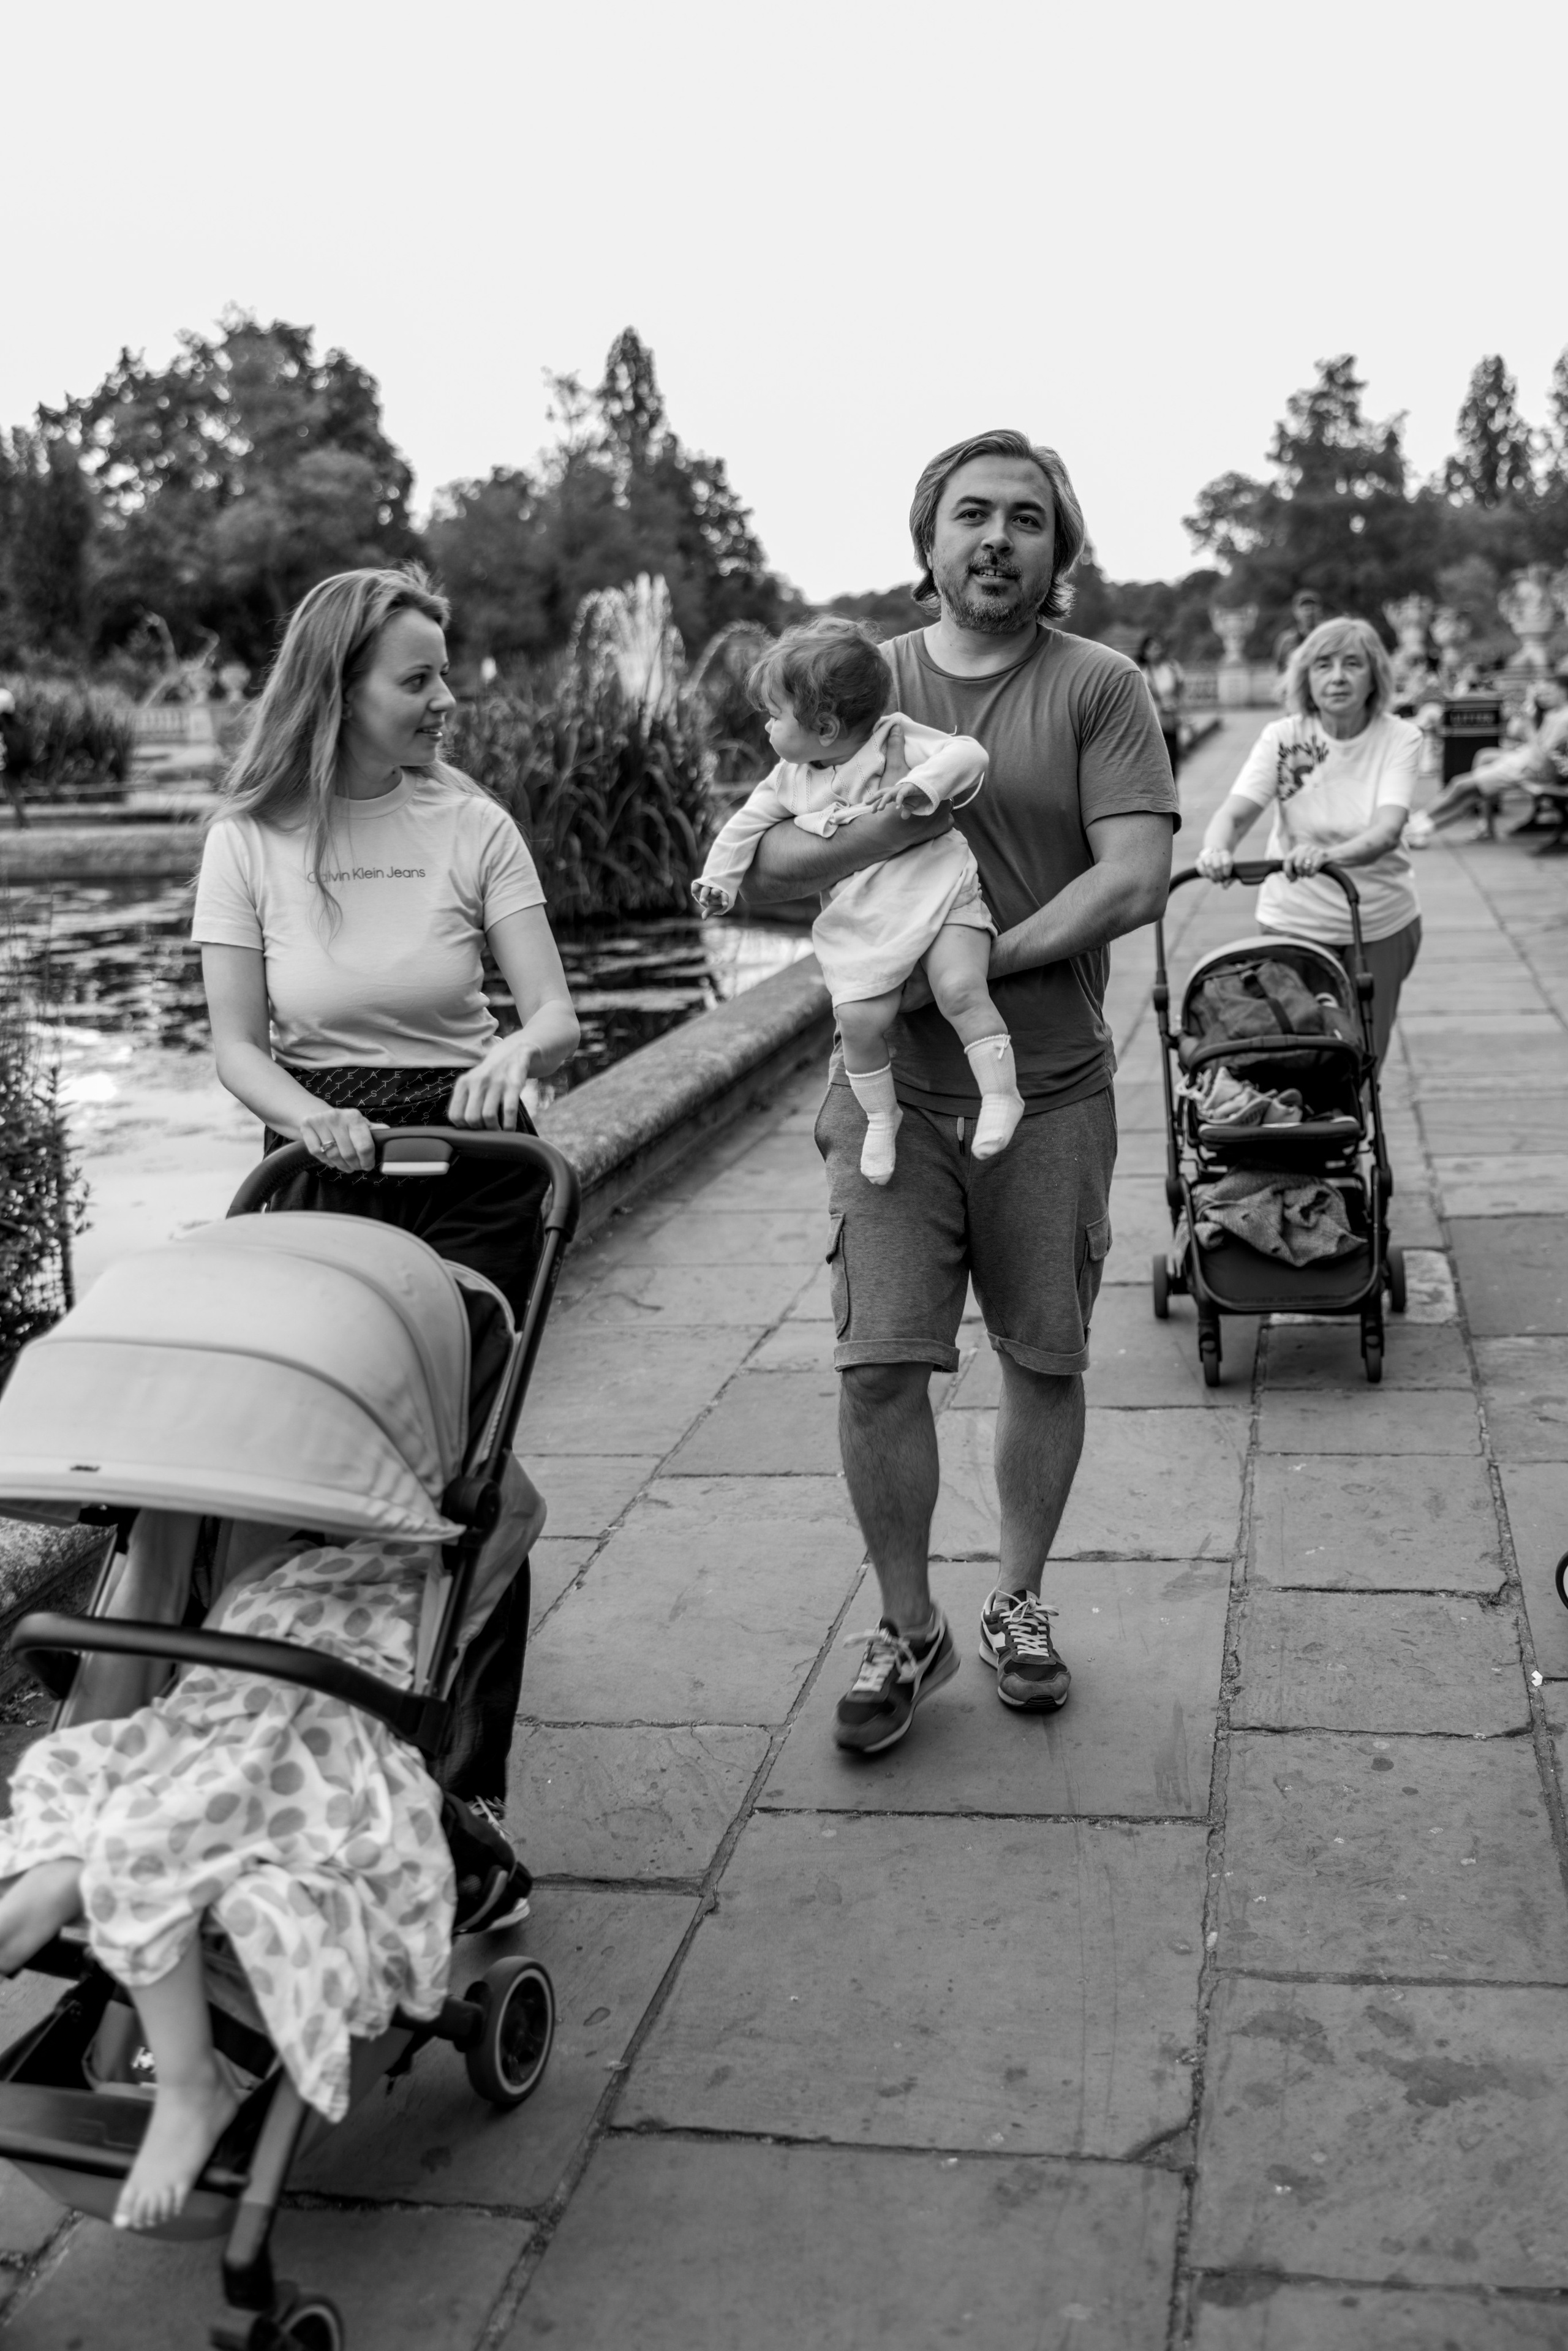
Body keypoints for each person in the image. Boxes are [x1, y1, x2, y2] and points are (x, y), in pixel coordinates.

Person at [741, 429, 1178, 1753]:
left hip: (1045, 1089)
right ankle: (905, 1623)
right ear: (925, 540)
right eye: (971, 515)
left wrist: (972, 960)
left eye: (1027, 520)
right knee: (877, 1367)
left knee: (1041, 1359)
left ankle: (1018, 1600)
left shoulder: (1100, 686)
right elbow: (761, 862)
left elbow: (1134, 878)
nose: (997, 538)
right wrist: (891, 837)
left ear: (1058, 549)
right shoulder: (853, 679)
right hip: (885, 1101)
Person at [194, 565, 579, 1853]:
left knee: (457, 1469)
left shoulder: (471, 824)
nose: (445, 697)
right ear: (339, 686)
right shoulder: (248, 835)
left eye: (444, 670)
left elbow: (555, 1014)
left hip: (474, 1158)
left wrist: (517, 1057)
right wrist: (304, 1115)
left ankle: (464, 1780)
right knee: (307, 1453)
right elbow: (239, 1043)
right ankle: (303, 1733)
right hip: (318, 1152)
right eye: (417, 677)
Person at [0, 1523, 453, 2231]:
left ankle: (191, 2087)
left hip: (318, 1723)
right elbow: (206, 1676)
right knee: (91, 1766)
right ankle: (64, 1869)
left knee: (164, 1826)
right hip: (229, 1700)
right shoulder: (262, 1565)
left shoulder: (411, 1565)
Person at [694, 619, 1022, 1183]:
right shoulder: (789, 780)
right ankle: (880, 1114)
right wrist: (719, 881)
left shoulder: (893, 738)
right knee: (856, 1018)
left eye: (774, 716)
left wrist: (926, 784)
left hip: (943, 896)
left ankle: (1001, 1094)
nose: (767, 728)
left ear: (823, 726)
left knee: (961, 988)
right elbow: (745, 828)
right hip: (871, 919)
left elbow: (968, 754)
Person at [1197, 616, 1421, 1064]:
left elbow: (1386, 830)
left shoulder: (1399, 737)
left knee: (1364, 1053)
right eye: (1324, 665)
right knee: (1296, 1046)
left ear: (1374, 674)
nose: (1337, 677)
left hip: (1379, 920)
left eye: (1352, 664)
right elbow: (1237, 814)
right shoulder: (1283, 737)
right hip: (1295, 918)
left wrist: (1327, 856)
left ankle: (1357, 1132)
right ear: (1306, 676)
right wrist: (1216, 849)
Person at [1423, 677, 1568, 839]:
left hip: (1531, 769)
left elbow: (1542, 759)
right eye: (1539, 694)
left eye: (1547, 693)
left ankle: (1418, 825)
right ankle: (1484, 823)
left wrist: (1528, 727)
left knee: (1462, 787)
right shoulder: (1551, 713)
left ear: (1563, 692)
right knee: (1483, 759)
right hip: (1525, 760)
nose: (1542, 698)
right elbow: (1514, 734)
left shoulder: (1563, 719)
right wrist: (1525, 716)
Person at [1136, 632, 1185, 782]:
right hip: (1154, 723)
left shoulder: (1172, 668)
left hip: (1172, 721)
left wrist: (1184, 714)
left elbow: (1182, 693)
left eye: (1158, 648)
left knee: (1173, 764)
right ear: (1144, 652)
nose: (1156, 652)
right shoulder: (1142, 674)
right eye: (1152, 648)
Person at [0, 688, 37, 827]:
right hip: (17, 762)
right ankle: (22, 822)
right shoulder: (16, 721)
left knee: (13, 793)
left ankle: (23, 823)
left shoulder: (2, 723)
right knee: (15, 792)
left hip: (5, 763)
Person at [1272, 589, 1326, 674]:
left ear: (1319, 610)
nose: (1309, 613)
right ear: (1295, 612)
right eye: (1304, 608)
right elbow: (1280, 671)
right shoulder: (1286, 641)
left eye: (1312, 608)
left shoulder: (1327, 638)